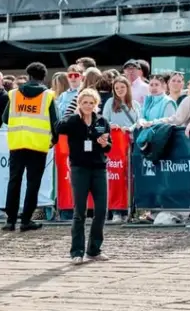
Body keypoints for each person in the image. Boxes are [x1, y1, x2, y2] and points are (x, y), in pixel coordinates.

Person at [53, 88, 111, 263]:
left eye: (91, 103)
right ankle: (76, 251)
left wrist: (104, 143)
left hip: (99, 168)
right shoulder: (72, 121)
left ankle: (94, 249)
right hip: (79, 168)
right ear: (79, 104)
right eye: (84, 102)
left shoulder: (101, 121)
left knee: (101, 210)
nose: (88, 105)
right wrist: (72, 115)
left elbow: (109, 147)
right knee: (80, 211)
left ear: (96, 104)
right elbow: (58, 127)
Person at [2, 62, 57, 233]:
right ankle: (26, 220)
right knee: (33, 184)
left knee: (14, 181)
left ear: (28, 76)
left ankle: (10, 221)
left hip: (17, 143)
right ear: (43, 77)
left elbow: (5, 118)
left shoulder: (14, 94)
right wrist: (54, 139)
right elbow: (55, 122)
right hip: (38, 145)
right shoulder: (48, 96)